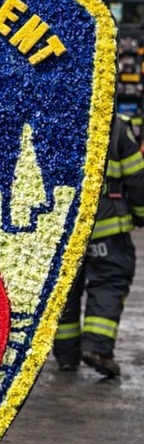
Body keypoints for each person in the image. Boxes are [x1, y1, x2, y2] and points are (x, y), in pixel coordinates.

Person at [54, 114, 144, 377]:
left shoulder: (57, 118)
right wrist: (140, 214)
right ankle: (97, 348)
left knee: (65, 290)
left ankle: (66, 355)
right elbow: (137, 178)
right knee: (110, 282)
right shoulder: (117, 126)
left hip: (64, 230)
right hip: (107, 228)